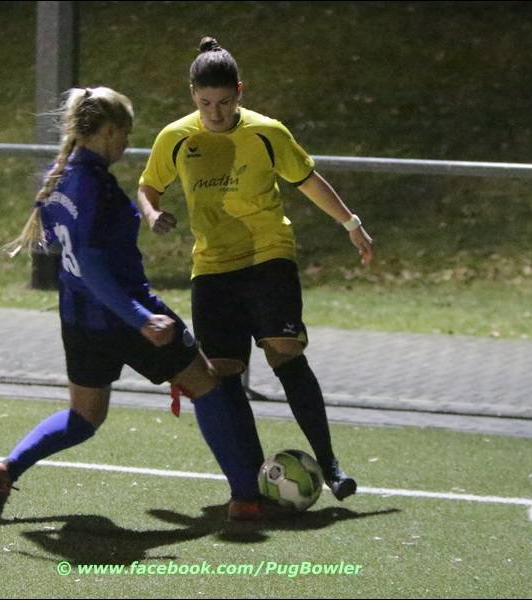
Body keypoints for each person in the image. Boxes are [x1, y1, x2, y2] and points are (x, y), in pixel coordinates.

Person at [0, 86, 262, 522]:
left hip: (78, 319)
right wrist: (141, 318)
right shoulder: (95, 188)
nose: (127, 142)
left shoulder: (59, 179)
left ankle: (8, 468)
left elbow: (62, 243)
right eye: (125, 132)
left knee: (84, 416)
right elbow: (92, 264)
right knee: (206, 384)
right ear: (107, 131)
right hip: (125, 313)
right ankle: (247, 499)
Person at [137, 37, 375, 501]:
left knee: (285, 352)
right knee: (223, 372)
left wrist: (351, 224)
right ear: (193, 95)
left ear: (240, 92)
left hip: (268, 256)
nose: (216, 113)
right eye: (206, 103)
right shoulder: (176, 138)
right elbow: (149, 187)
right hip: (212, 267)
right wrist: (152, 214)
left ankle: (329, 463)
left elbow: (308, 180)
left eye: (225, 102)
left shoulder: (267, 133)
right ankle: (249, 479)